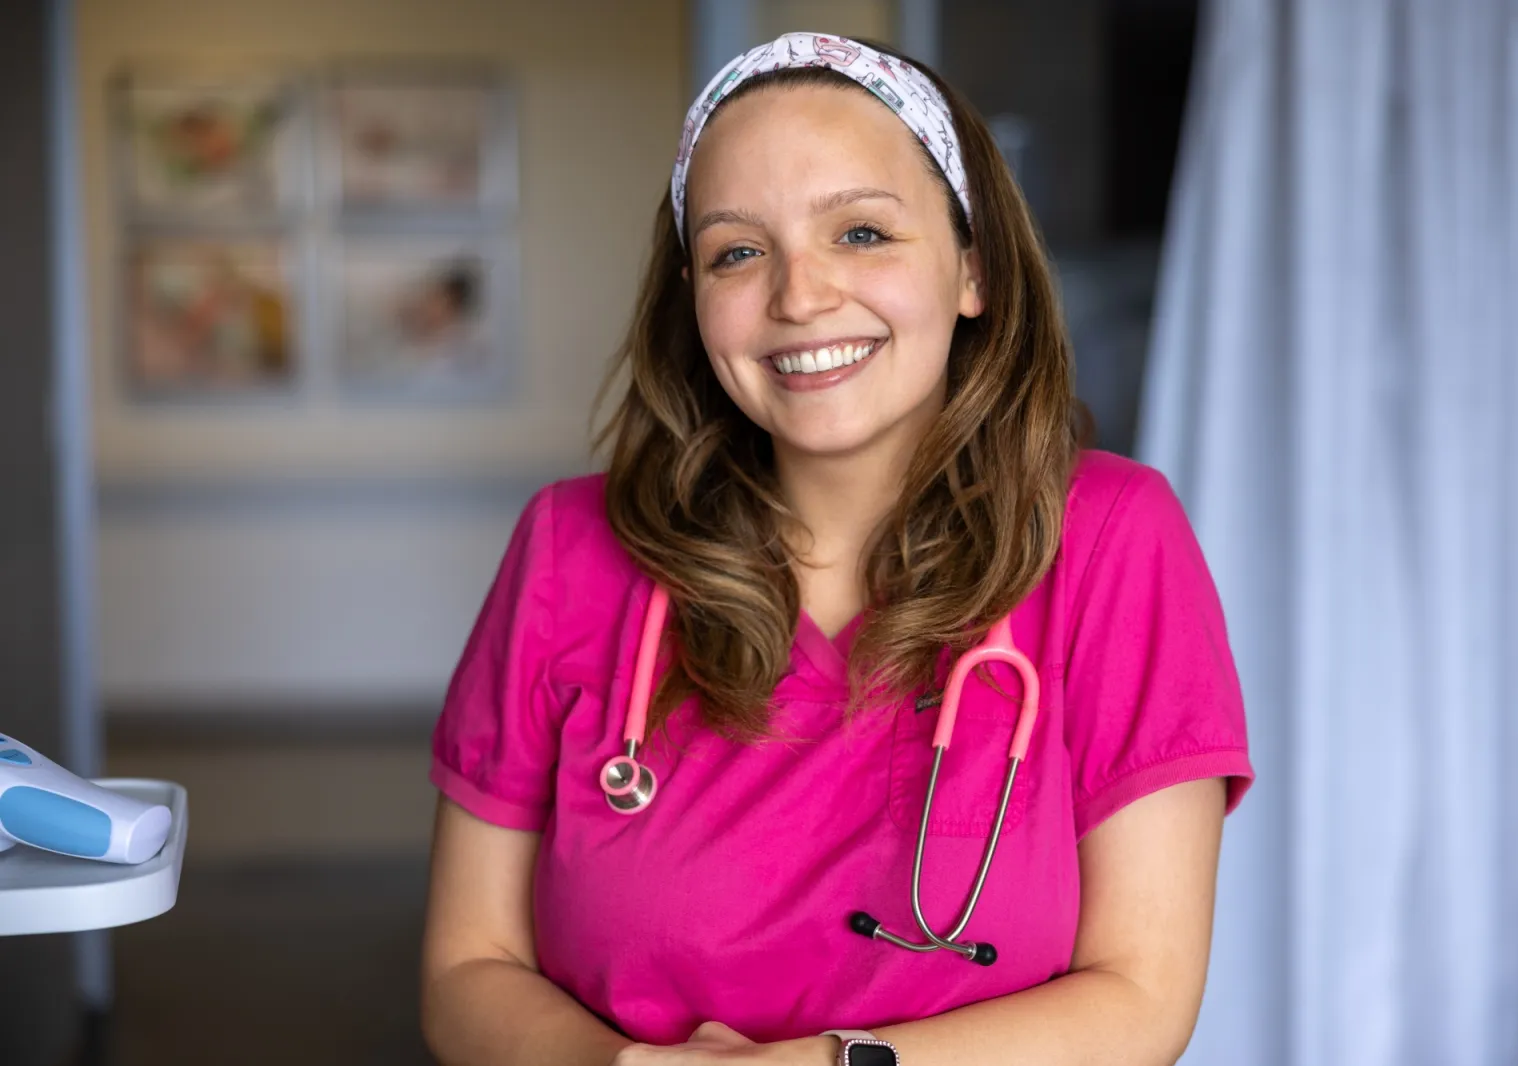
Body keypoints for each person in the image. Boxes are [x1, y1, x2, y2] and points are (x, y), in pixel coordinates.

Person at [419, 32, 1253, 1066]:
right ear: (693, 298)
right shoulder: (567, 549)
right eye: (737, 250)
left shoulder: (1112, 539)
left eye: (860, 233)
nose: (798, 296)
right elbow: (466, 969)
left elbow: (1140, 997)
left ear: (972, 269)